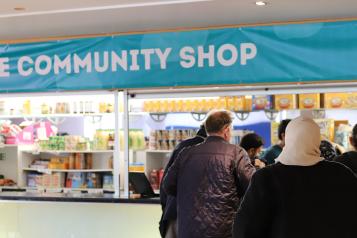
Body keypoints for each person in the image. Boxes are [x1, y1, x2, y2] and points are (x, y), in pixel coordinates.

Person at [233, 116, 357, 238]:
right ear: (317, 139)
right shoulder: (341, 174)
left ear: (288, 139)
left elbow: (245, 228)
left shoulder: (266, 177)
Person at [163, 110, 256, 238]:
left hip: (189, 228)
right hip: (223, 229)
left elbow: (168, 185)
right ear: (226, 129)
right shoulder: (236, 153)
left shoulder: (186, 153)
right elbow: (253, 185)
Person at [159, 125, 207, 238]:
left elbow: (165, 184)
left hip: (173, 212)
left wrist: (166, 208)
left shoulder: (181, 146)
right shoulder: (211, 150)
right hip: (197, 217)